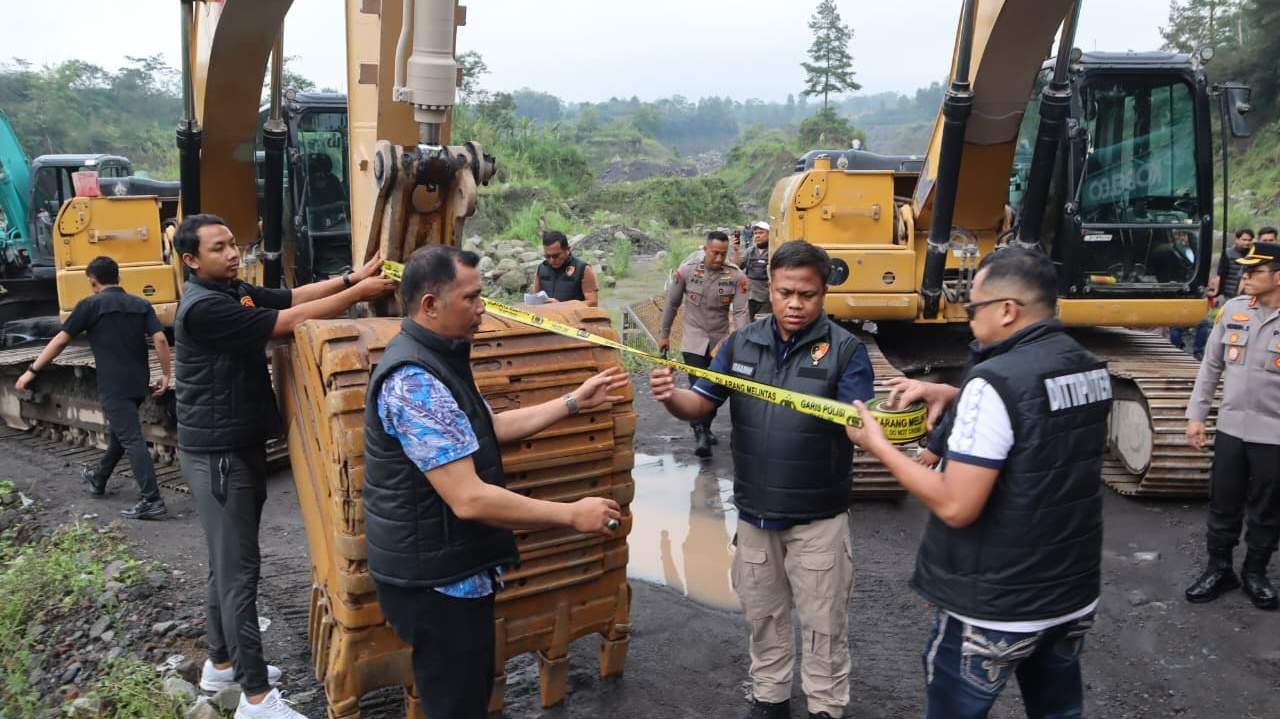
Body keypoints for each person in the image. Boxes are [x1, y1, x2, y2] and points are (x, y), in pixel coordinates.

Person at [363, 245, 625, 718]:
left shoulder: (439, 359)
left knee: (470, 691)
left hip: (453, 568)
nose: (484, 307)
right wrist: (571, 515)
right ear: (429, 305)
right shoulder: (414, 380)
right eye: (472, 298)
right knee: (455, 703)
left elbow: (488, 428)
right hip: (434, 583)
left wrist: (573, 402)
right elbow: (468, 498)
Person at [848, 246, 1111, 719]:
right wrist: (951, 392)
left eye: (973, 308)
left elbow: (955, 505)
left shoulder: (996, 382)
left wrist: (878, 445)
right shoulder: (1088, 366)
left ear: (1007, 310)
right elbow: (1037, 425)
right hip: (1071, 593)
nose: (968, 319)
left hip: (996, 603)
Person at [172, 213, 396, 719]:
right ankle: (255, 698)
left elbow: (289, 297)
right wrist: (360, 293)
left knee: (224, 565)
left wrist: (350, 278)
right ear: (191, 260)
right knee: (239, 573)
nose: (232, 253)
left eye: (233, 244)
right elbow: (287, 323)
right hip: (220, 455)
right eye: (218, 248)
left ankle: (221, 664)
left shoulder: (230, 291)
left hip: (234, 444)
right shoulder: (205, 308)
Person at [650, 240, 874, 719]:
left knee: (824, 626)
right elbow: (701, 403)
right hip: (754, 515)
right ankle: (770, 700)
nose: (795, 304)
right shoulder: (740, 343)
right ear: (768, 289)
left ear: (824, 293)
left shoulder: (846, 352)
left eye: (807, 294)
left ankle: (825, 707)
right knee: (763, 618)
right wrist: (671, 397)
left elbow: (861, 426)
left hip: (818, 520)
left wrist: (893, 439)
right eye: (785, 292)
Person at [14, 256, 171, 519]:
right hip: (138, 382)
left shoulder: (89, 305)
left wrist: (31, 371)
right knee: (121, 435)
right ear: (118, 278)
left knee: (131, 438)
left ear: (92, 281)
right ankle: (98, 477)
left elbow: (60, 342)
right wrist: (166, 373)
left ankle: (152, 500)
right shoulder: (140, 304)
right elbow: (161, 339)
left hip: (113, 384)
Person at [1184, 240, 1280, 611]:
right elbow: (1210, 367)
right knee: (1223, 503)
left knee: (1267, 509)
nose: (1246, 276)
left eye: (1255, 272)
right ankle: (1219, 568)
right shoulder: (1234, 310)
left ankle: (1255, 572)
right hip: (1230, 430)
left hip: (1273, 435)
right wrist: (1197, 415)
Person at [658, 230, 750, 458]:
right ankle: (701, 433)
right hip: (693, 340)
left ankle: (704, 428)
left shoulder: (736, 276)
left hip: (720, 342)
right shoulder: (687, 271)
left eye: (722, 254)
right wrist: (664, 334)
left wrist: (744, 341)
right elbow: (671, 304)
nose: (718, 258)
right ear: (705, 249)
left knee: (716, 389)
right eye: (714, 253)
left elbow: (740, 312)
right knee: (697, 386)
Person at [530, 229, 598, 305]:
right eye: (547, 256)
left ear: (567, 250)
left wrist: (562, 306)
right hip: (547, 315)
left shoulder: (583, 269)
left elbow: (593, 303)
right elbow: (535, 297)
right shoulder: (542, 268)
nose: (551, 260)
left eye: (556, 256)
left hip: (572, 316)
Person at [1209, 228, 1255, 301]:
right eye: (1244, 240)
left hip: (1248, 295)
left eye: (1249, 240)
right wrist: (1216, 291)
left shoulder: (1254, 255)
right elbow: (1220, 273)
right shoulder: (1228, 253)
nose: (1247, 243)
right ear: (1237, 239)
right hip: (1229, 294)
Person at [744, 221, 771, 319]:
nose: (757, 236)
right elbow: (738, 265)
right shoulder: (750, 251)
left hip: (766, 299)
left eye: (761, 233)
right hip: (749, 296)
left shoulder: (773, 251)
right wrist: (735, 249)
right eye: (755, 233)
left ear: (769, 234)